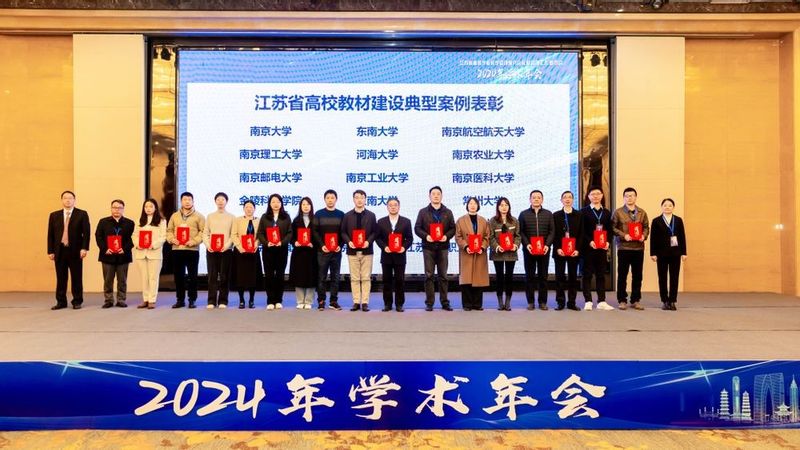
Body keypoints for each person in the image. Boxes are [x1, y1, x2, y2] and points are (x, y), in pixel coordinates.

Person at [47, 190, 90, 310]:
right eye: (65, 198)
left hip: (75, 251)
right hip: (59, 250)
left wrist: (84, 248)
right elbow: (50, 234)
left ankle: (77, 301)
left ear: (74, 200)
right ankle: (61, 301)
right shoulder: (54, 215)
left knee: (76, 277)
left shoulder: (82, 214)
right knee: (61, 278)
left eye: (70, 198)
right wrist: (50, 250)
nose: (68, 200)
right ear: (62, 200)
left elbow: (86, 233)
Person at [414, 186, 456, 312]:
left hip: (443, 247)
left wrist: (446, 236)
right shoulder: (423, 212)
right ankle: (429, 303)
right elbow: (417, 228)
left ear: (441, 196)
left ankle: (445, 302)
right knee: (429, 275)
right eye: (433, 194)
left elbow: (453, 228)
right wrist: (426, 236)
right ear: (429, 196)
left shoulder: (448, 212)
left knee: (443, 276)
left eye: (438, 194)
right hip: (428, 247)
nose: (436, 196)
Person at [611, 187, 650, 310]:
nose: (629, 198)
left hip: (638, 248)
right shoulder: (618, 212)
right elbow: (612, 228)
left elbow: (646, 227)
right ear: (623, 198)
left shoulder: (642, 212)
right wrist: (624, 235)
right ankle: (622, 300)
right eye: (627, 196)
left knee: (637, 276)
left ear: (636, 197)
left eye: (632, 195)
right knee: (622, 275)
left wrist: (643, 235)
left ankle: (635, 300)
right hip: (624, 248)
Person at [166, 192, 206, 309]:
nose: (187, 202)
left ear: (193, 201)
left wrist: (194, 241)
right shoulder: (174, 216)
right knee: (178, 276)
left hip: (192, 250)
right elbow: (169, 231)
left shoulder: (199, 216)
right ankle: (180, 299)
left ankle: (192, 299)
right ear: (181, 201)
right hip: (177, 249)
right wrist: (172, 239)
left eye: (189, 199)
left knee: (193, 276)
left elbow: (203, 232)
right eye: (185, 199)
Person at [341, 190, 377, 312]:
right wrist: (348, 241)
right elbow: (343, 232)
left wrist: (368, 241)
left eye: (362, 197)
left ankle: (365, 302)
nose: (359, 200)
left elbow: (375, 232)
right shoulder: (347, 215)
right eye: (357, 197)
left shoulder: (371, 215)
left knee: (366, 277)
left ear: (365, 199)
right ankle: (356, 302)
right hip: (352, 251)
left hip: (367, 251)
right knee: (355, 278)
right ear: (353, 200)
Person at [95, 199, 135, 308]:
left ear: (123, 209)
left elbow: (133, 238)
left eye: (119, 208)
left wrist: (125, 249)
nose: (117, 210)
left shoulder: (130, 223)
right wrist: (105, 249)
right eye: (115, 207)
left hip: (123, 256)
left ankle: (121, 300)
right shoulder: (103, 222)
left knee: (122, 280)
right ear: (111, 208)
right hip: (107, 255)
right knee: (108, 280)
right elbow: (98, 236)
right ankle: (108, 300)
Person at [518, 190, 555, 311]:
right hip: (529, 250)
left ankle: (542, 302)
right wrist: (527, 244)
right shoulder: (523, 214)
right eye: (534, 197)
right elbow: (520, 232)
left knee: (543, 276)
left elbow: (552, 231)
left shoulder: (548, 214)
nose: (536, 199)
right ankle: (530, 302)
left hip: (544, 250)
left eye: (539, 197)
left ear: (542, 199)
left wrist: (547, 245)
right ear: (530, 199)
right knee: (529, 276)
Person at [375, 198, 413, 312]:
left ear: (399, 207)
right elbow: (378, 238)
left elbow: (410, 238)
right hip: (386, 256)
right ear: (387, 207)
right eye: (390, 205)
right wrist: (384, 247)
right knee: (386, 280)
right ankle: (387, 304)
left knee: (400, 280)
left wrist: (404, 247)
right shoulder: (381, 222)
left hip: (400, 256)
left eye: (395, 205)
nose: (393, 207)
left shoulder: (406, 221)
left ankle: (399, 304)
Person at [650, 198, 687, 311]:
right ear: (661, 207)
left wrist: (684, 252)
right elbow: (653, 238)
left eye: (670, 205)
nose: (667, 207)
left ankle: (672, 300)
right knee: (662, 277)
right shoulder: (656, 221)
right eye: (665, 205)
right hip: (661, 253)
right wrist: (653, 253)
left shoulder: (678, 220)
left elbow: (682, 236)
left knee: (674, 277)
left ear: (673, 207)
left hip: (675, 253)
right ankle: (664, 300)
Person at [580, 186, 614, 311]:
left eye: (598, 194)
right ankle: (588, 301)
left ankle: (601, 301)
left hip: (602, 248)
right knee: (587, 275)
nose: (595, 196)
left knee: (601, 275)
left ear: (602, 196)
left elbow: (610, 230)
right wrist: (589, 241)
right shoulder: (583, 212)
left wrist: (608, 242)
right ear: (588, 196)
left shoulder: (607, 212)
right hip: (588, 248)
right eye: (592, 194)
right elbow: (581, 231)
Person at [257, 194, 292, 310]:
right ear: (269, 204)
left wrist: (282, 242)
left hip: (282, 250)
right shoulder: (264, 217)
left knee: (280, 275)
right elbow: (260, 233)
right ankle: (270, 300)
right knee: (269, 275)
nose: (276, 204)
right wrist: (267, 243)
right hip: (268, 250)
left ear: (281, 203)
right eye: (273, 202)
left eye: (278, 201)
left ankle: (278, 300)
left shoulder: (286, 217)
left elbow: (290, 233)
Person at [455, 197, 490, 311]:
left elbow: (487, 236)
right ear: (467, 205)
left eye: (475, 203)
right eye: (470, 203)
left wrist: (483, 247)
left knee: (478, 278)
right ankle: (467, 304)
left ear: (478, 205)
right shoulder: (460, 220)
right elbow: (458, 236)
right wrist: (465, 246)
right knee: (466, 279)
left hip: (480, 253)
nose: (473, 205)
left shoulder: (483, 221)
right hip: (467, 253)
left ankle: (477, 304)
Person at [312, 189, 345, 311]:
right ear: (324, 199)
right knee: (321, 277)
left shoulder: (341, 214)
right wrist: (321, 245)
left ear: (336, 199)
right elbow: (314, 231)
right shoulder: (319, 214)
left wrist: (340, 245)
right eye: (328, 198)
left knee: (335, 277)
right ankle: (321, 301)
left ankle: (333, 301)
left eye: (332, 198)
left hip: (336, 251)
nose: (330, 200)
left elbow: (343, 232)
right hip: (323, 251)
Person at [202, 192, 235, 309]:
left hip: (226, 250)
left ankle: (223, 300)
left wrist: (226, 246)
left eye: (223, 199)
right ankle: (211, 300)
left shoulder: (232, 217)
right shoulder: (210, 216)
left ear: (226, 201)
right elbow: (205, 233)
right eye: (218, 199)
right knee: (212, 276)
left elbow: (233, 234)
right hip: (212, 250)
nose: (220, 202)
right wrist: (208, 245)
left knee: (224, 276)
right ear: (215, 201)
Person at [133, 198, 166, 309]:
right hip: (141, 253)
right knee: (144, 278)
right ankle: (145, 299)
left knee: (153, 278)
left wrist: (152, 245)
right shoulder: (139, 221)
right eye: (146, 207)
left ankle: (152, 300)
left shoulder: (161, 221)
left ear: (155, 208)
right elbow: (134, 236)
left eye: (151, 206)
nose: (148, 209)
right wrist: (138, 244)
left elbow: (163, 237)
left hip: (154, 253)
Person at [488, 197, 521, 311]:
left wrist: (515, 245)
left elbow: (518, 236)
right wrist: (497, 247)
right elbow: (491, 237)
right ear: (498, 207)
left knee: (509, 277)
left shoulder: (514, 220)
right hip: (498, 254)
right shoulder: (492, 221)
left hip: (511, 254)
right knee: (499, 277)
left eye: (506, 205)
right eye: (501, 205)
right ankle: (500, 302)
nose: (504, 207)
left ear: (509, 207)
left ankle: (508, 302)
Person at [552, 191, 583, 311]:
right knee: (559, 277)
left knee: (572, 277)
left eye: (570, 197)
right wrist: (557, 248)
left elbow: (581, 234)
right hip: (560, 251)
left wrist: (578, 249)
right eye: (565, 197)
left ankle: (571, 302)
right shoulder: (556, 215)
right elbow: (554, 234)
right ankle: (560, 302)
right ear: (561, 200)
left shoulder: (579, 215)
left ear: (573, 200)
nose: (567, 199)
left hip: (574, 251)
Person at [230, 200, 262, 309]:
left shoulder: (259, 220)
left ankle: (251, 300)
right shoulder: (237, 220)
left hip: (253, 251)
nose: (249, 209)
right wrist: (240, 247)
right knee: (240, 277)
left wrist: (256, 244)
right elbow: (233, 235)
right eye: (247, 207)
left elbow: (260, 235)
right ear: (243, 208)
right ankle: (241, 300)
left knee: (252, 277)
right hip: (240, 252)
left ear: (254, 209)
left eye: (251, 207)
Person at [289, 197, 317, 309]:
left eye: (308, 204)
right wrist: (294, 242)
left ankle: (309, 301)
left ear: (311, 206)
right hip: (299, 253)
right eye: (303, 204)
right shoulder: (296, 221)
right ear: (300, 206)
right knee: (299, 276)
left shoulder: (315, 220)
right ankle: (300, 301)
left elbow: (319, 236)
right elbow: (291, 236)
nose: (306, 206)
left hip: (312, 253)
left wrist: (313, 244)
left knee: (311, 276)